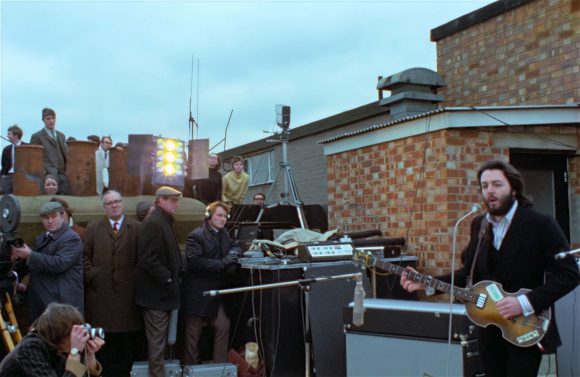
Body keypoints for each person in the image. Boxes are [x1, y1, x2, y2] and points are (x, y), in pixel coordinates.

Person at [400, 160, 579, 377]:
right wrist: (426, 282)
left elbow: (569, 274)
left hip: (524, 327)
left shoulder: (540, 224)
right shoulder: (479, 224)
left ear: (514, 189)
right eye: (485, 186)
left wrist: (524, 303)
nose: (490, 191)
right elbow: (469, 274)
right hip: (489, 329)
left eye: (497, 184)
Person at [84, 190, 144, 376]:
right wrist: (94, 275)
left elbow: (143, 258)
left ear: (122, 203)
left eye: (117, 201)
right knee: (105, 349)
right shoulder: (94, 228)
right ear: (104, 207)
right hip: (101, 299)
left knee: (126, 349)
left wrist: (135, 278)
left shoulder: (136, 227)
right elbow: (84, 257)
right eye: (109, 203)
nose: (114, 205)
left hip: (128, 299)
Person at [181, 201, 239, 364]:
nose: (223, 219)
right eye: (219, 215)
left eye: (225, 216)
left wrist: (234, 253)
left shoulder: (224, 234)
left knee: (223, 325)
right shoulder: (196, 235)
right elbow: (195, 262)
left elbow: (235, 246)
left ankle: (219, 365)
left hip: (214, 290)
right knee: (194, 332)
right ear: (209, 216)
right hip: (198, 292)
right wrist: (223, 263)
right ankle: (190, 366)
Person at [135, 186, 183, 377]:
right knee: (157, 346)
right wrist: (168, 278)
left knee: (159, 344)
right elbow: (148, 258)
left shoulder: (161, 221)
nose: (176, 204)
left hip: (161, 295)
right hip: (156, 296)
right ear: (161, 200)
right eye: (172, 200)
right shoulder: (155, 223)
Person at [11, 201, 84, 322]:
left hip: (62, 305)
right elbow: (34, 266)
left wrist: (30, 255)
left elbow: (59, 263)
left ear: (62, 216)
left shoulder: (71, 238)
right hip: (44, 304)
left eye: (54, 216)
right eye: (46, 218)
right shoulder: (42, 237)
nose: (50, 221)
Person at [0, 303, 105, 377]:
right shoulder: (29, 350)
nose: (78, 337)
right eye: (73, 332)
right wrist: (75, 352)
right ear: (60, 333)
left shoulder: (57, 349)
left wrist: (89, 355)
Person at [30, 108, 69, 194]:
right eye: (48, 118)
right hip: (48, 175)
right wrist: (44, 171)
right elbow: (34, 158)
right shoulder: (37, 136)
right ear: (43, 120)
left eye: (53, 118)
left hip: (63, 173)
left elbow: (65, 153)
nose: (51, 121)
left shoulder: (61, 135)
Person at [1, 124, 25, 194]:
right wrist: (3, 176)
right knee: (7, 196)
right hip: (9, 176)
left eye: (9, 134)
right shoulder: (6, 149)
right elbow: (3, 165)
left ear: (16, 135)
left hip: (23, 176)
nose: (7, 136)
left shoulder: (27, 147)